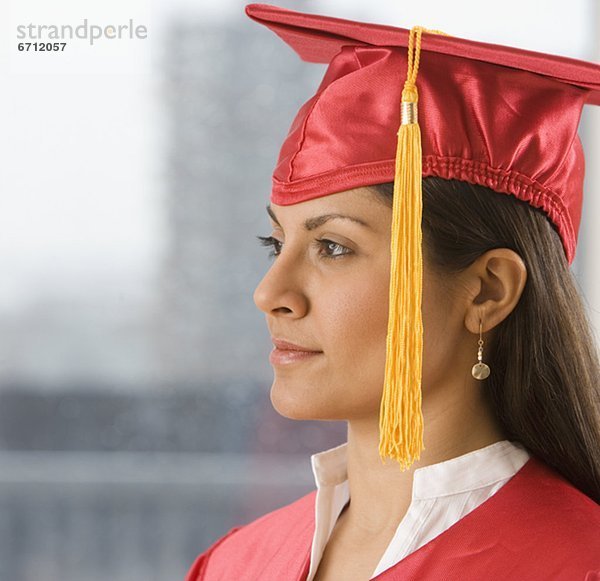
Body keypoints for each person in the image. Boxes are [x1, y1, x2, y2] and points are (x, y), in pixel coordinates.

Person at [185, 4, 600, 580]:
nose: (270, 293)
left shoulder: (576, 564)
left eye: (333, 246)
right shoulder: (239, 563)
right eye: (274, 243)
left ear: (487, 292)